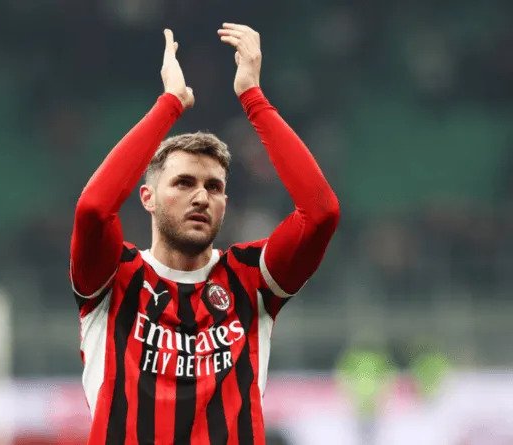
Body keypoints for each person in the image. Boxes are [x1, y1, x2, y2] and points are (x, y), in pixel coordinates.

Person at [70, 23, 340, 444]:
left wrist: (252, 96)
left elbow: (321, 213)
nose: (201, 196)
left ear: (225, 202)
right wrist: (170, 104)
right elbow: (93, 209)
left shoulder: (250, 279)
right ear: (147, 197)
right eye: (183, 183)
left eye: (214, 187)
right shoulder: (113, 277)